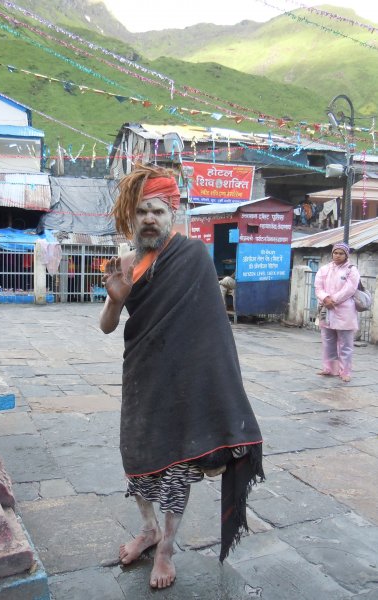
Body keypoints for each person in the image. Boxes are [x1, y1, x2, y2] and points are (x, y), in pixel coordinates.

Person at [99, 164, 263, 589]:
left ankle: (167, 549)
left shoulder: (192, 257)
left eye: (157, 210)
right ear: (131, 219)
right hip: (142, 376)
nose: (149, 219)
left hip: (185, 380)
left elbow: (211, 326)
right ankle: (148, 529)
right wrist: (116, 302)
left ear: (173, 213)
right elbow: (106, 325)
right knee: (135, 460)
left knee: (176, 468)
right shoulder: (126, 262)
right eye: (141, 212)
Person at [314, 242, 359, 383]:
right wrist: (325, 298)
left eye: (341, 253)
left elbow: (350, 289)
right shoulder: (324, 269)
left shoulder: (352, 270)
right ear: (332, 254)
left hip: (344, 310)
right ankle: (329, 368)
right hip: (326, 309)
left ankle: (345, 371)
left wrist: (333, 300)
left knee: (345, 344)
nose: (338, 256)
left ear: (346, 255)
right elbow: (318, 287)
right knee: (328, 341)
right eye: (335, 253)